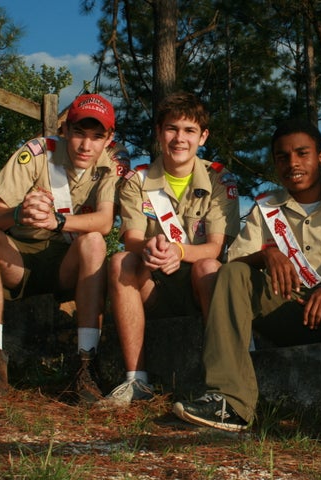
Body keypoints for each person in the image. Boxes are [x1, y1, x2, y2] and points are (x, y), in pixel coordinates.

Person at [172, 119, 321, 454]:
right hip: (285, 311)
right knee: (230, 274)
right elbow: (235, 265)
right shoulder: (266, 208)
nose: (292, 163)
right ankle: (229, 402)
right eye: (282, 157)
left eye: (302, 153)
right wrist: (267, 255)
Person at [0, 93, 127, 403]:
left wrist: (57, 222)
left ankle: (86, 364)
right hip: (20, 261)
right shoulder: (38, 152)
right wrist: (18, 213)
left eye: (97, 137)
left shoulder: (111, 165)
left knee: (94, 240)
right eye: (80, 133)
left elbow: (106, 222)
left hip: (68, 267)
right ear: (65, 130)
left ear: (109, 139)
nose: (86, 145)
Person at [103, 92, 240, 406]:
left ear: (203, 136)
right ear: (159, 132)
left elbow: (215, 248)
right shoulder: (137, 180)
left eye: (189, 131)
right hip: (154, 287)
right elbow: (132, 238)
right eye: (172, 129)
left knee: (209, 268)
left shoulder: (221, 179)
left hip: (198, 288)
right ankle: (135, 380)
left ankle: (217, 382)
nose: (180, 138)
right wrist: (149, 247)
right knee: (121, 260)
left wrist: (177, 252)